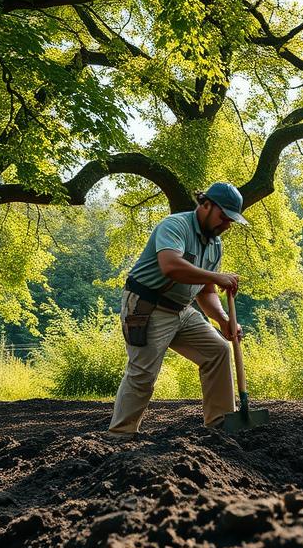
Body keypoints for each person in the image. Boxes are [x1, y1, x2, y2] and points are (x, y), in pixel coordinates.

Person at [106, 182, 248, 439]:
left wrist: (223, 319)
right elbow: (170, 266)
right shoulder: (175, 225)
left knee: (217, 350)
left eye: (231, 221)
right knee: (143, 374)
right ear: (205, 205)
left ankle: (220, 427)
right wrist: (216, 276)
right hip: (147, 306)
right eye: (223, 217)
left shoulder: (215, 244)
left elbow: (205, 291)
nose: (226, 225)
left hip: (182, 310)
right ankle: (120, 436)